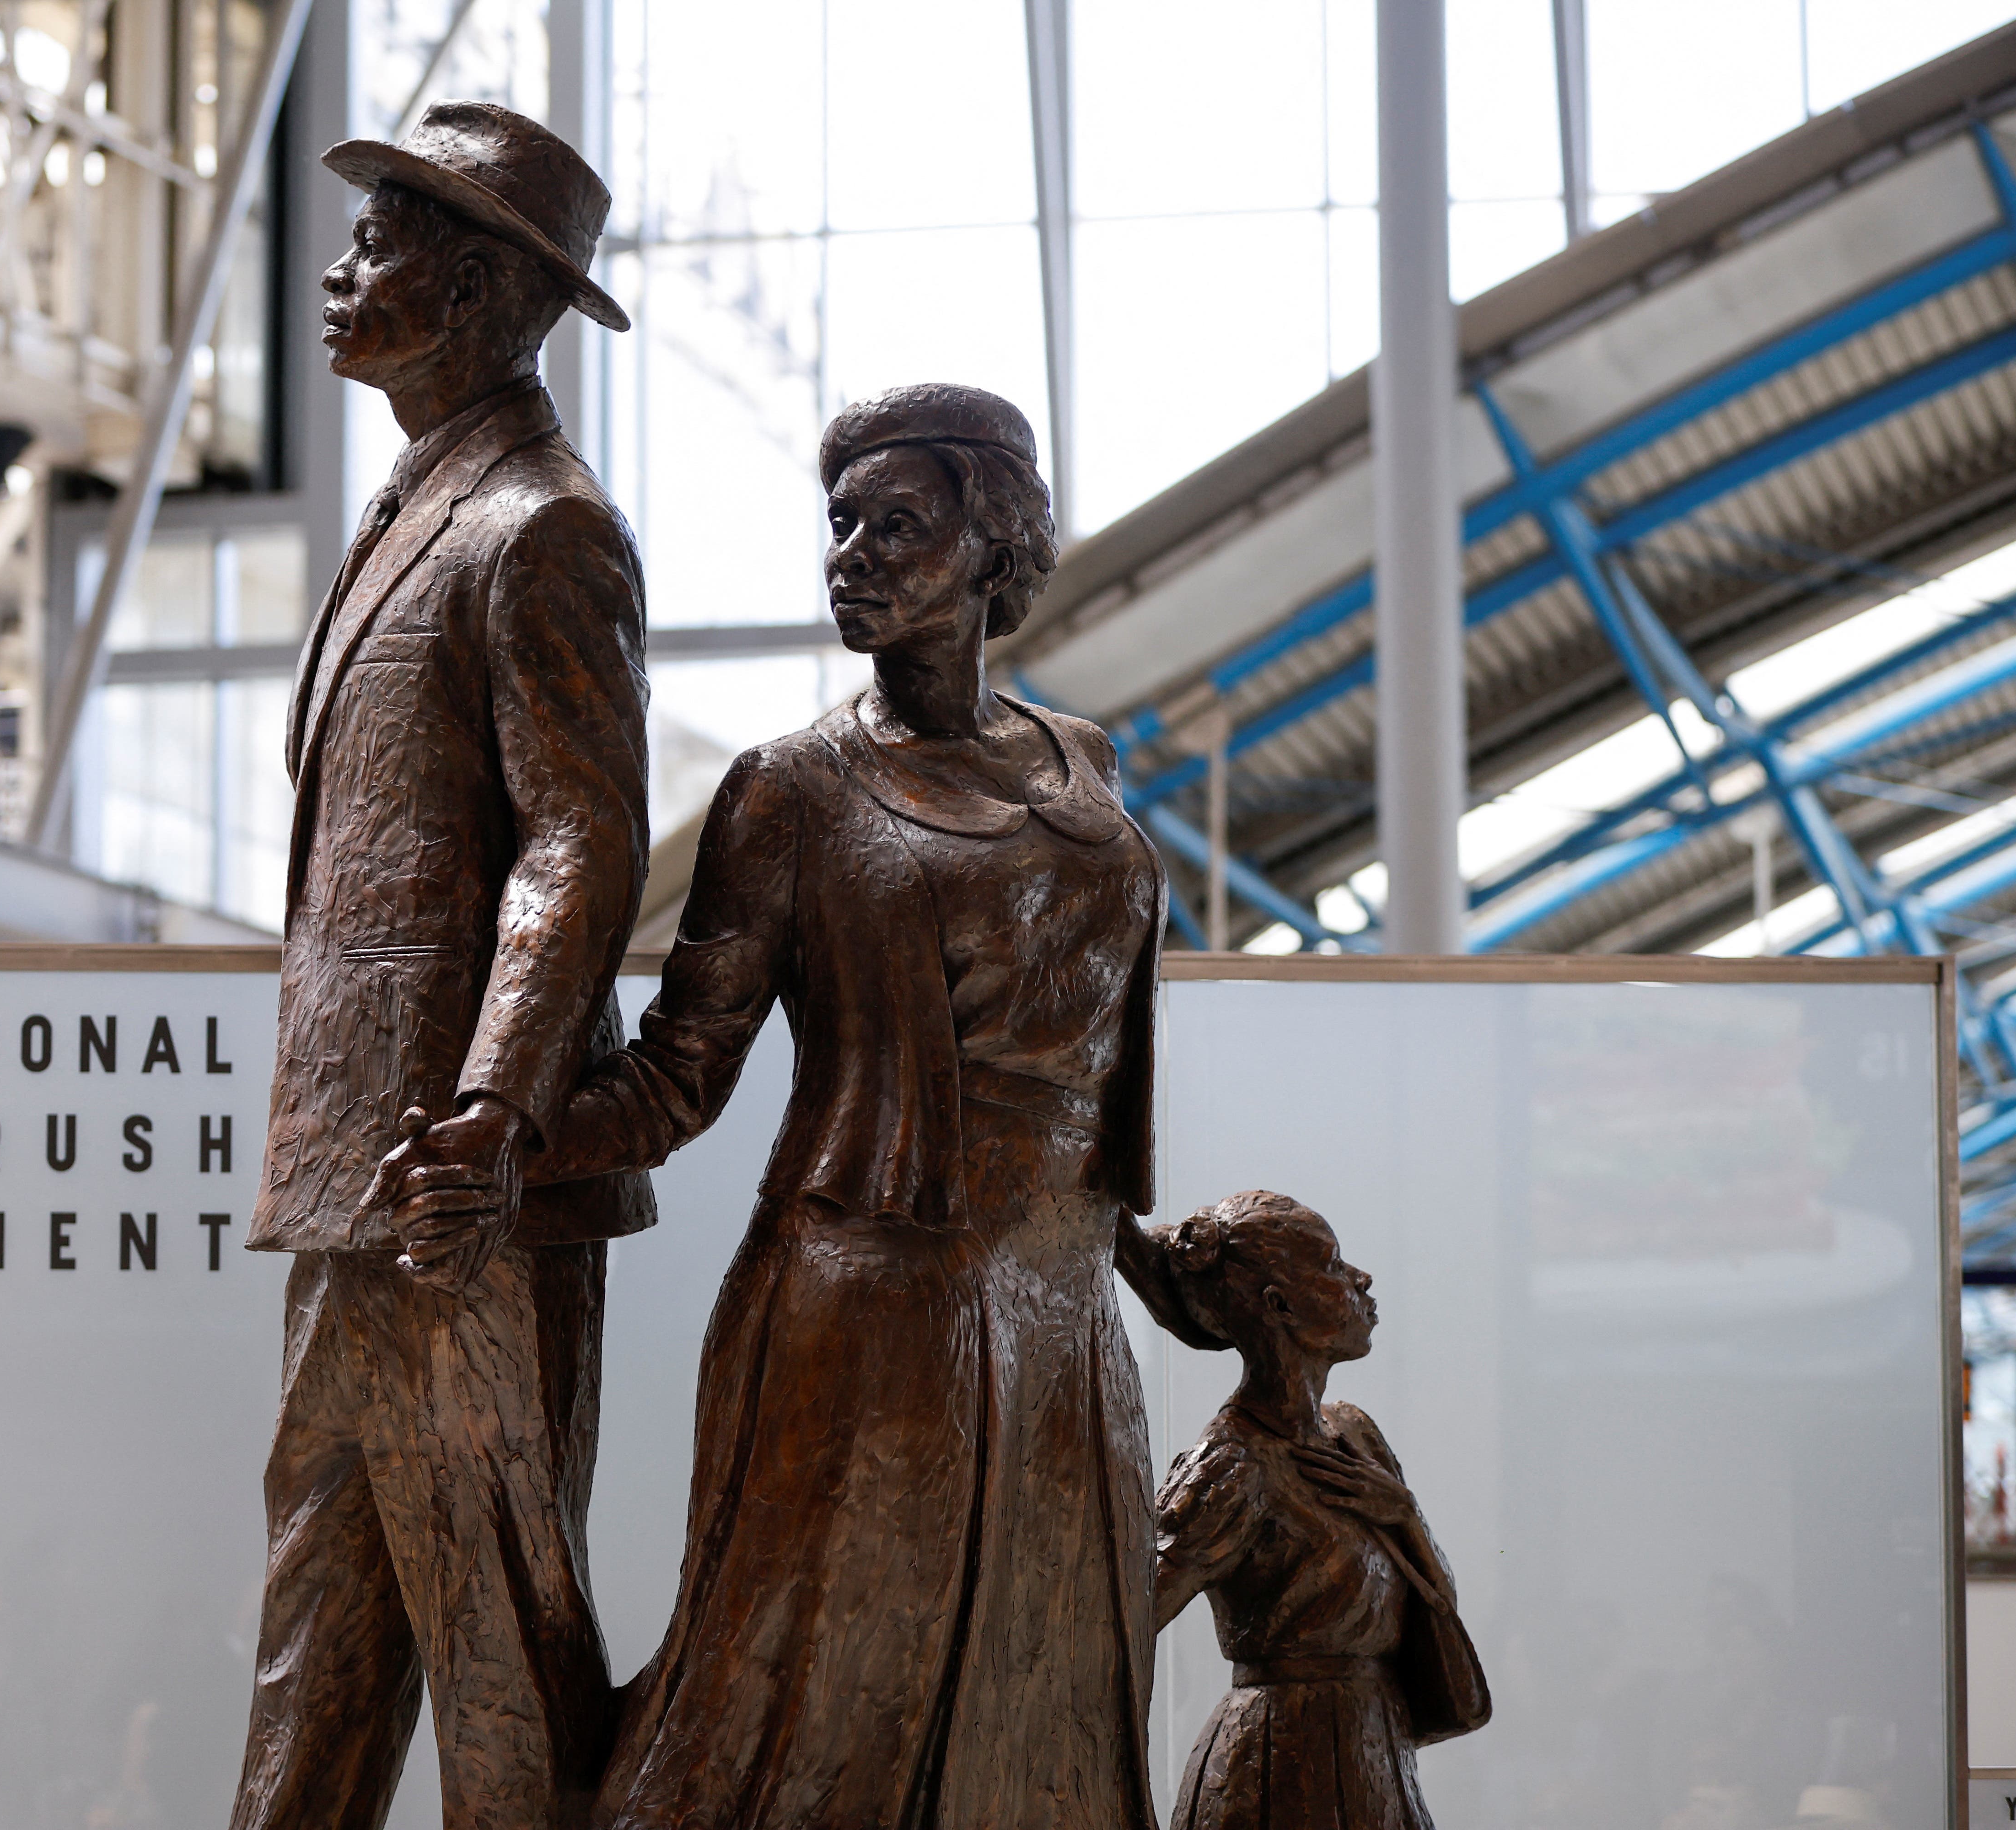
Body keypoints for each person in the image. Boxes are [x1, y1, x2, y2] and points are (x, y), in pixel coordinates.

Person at [378, 382, 1170, 1828]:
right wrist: (506, 1138)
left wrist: (1143, 1253)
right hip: (864, 1310)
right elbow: (683, 1069)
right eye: (843, 524)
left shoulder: (1087, 766)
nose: (855, 552)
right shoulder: (790, 793)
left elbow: (1094, 1069)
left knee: (1048, 1683)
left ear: (995, 543)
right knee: (811, 1707)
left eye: (901, 524)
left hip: (1060, 1303)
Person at [227, 99, 650, 1830]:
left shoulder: (538, 525)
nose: (337, 274)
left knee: (492, 1639)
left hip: (454, 1178)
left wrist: (489, 1110)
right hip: (366, 1172)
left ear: (479, 293)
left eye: (378, 244)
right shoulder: (429, 505)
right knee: (324, 1621)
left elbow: (583, 840)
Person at [1145, 1190, 1489, 1830]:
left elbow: (1435, 1598)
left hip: (1378, 1741)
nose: (1360, 1279)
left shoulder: (1353, 1433)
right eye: (1333, 1267)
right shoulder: (1231, 1465)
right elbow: (1127, 1626)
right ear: (1279, 1307)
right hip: (1281, 1757)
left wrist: (1405, 1516)